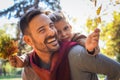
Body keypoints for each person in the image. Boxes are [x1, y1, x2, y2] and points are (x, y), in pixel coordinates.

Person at [9, 9, 120, 80]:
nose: (53, 32)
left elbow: (117, 71)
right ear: (28, 41)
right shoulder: (29, 69)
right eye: (42, 30)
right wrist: (23, 58)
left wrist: (89, 49)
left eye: (51, 26)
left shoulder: (77, 54)